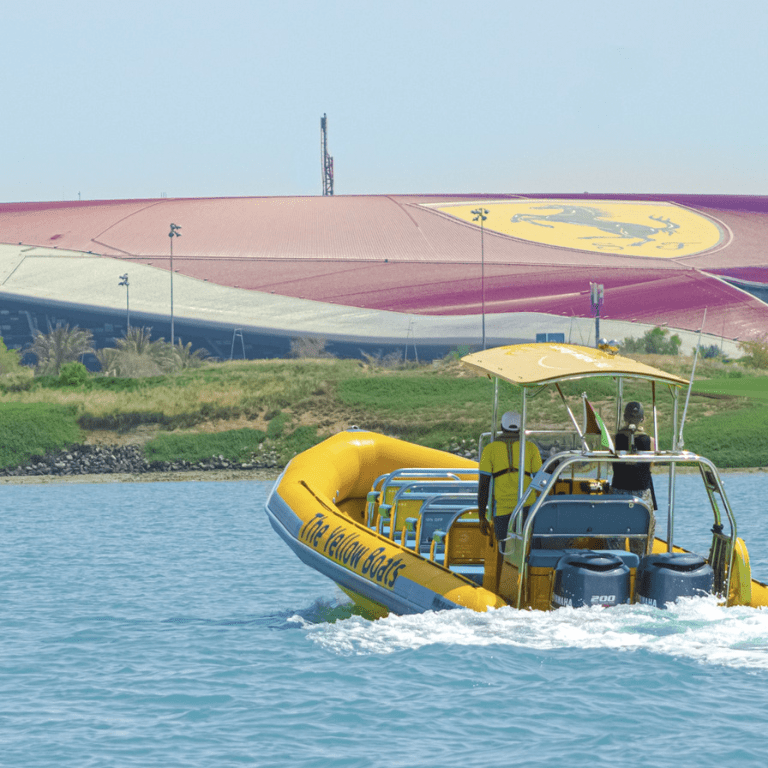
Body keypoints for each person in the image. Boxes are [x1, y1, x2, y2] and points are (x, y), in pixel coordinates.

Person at [477, 411, 543, 543]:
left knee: (505, 552)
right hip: (527, 507)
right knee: (526, 549)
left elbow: (484, 485)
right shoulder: (531, 448)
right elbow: (540, 481)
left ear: (502, 427)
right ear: (520, 428)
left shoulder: (489, 449)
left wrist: (482, 516)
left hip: (502, 509)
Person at [609, 401, 656, 554]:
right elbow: (651, 466)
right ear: (642, 419)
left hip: (618, 494)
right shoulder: (651, 441)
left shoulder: (615, 439)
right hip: (641, 496)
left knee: (615, 543)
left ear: (624, 417)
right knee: (642, 545)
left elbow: (611, 463)